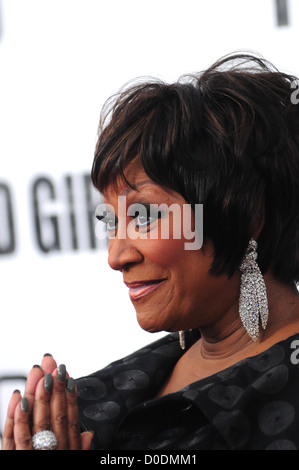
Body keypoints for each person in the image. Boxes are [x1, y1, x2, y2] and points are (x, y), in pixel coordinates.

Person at [2, 52, 299, 451]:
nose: (116, 256)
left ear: (246, 215)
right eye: (111, 222)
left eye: (143, 216)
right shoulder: (115, 387)